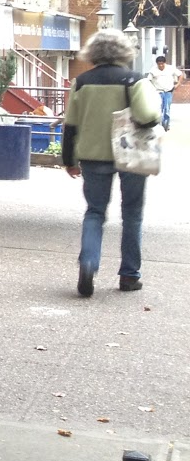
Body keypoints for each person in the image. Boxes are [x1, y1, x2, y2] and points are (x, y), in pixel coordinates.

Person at [62, 29, 160, 297]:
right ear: (124, 51)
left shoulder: (82, 82)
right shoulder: (135, 80)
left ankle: (88, 262)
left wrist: (69, 160)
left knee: (95, 211)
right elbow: (148, 115)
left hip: (93, 156)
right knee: (132, 214)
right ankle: (129, 275)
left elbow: (70, 124)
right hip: (131, 155)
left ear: (92, 52)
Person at [147, 55, 181, 131]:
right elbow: (149, 80)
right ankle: (159, 125)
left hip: (168, 91)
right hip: (158, 92)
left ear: (165, 63)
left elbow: (180, 75)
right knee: (159, 108)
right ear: (157, 64)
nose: (161, 65)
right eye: (159, 64)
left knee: (167, 108)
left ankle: (166, 124)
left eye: (162, 64)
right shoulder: (153, 70)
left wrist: (178, 84)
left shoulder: (171, 68)